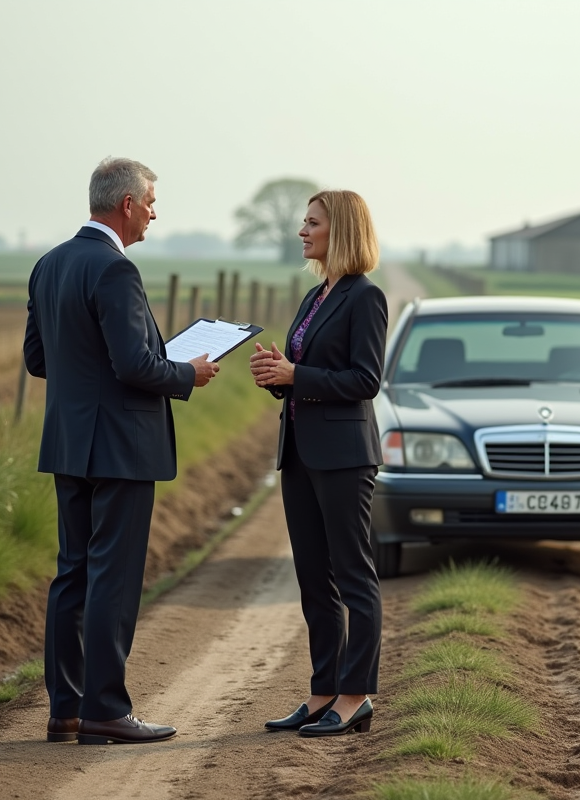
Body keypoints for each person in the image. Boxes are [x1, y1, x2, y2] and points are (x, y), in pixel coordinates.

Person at [24, 157, 220, 745]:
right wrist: (189, 371)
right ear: (127, 204)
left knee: (73, 575)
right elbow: (136, 366)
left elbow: (40, 360)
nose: (156, 213)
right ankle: (107, 709)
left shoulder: (49, 263)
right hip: (121, 447)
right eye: (152, 202)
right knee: (112, 578)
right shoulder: (115, 270)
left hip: (68, 443)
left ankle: (67, 711)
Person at [249, 190, 387, 737]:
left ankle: (355, 696)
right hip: (300, 452)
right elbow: (305, 373)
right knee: (313, 578)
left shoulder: (365, 297)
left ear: (343, 231)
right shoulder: (314, 296)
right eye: (303, 223)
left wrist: (296, 376)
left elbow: (365, 380)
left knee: (354, 575)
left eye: (312, 223)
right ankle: (321, 692)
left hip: (345, 456)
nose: (302, 232)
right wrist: (277, 376)